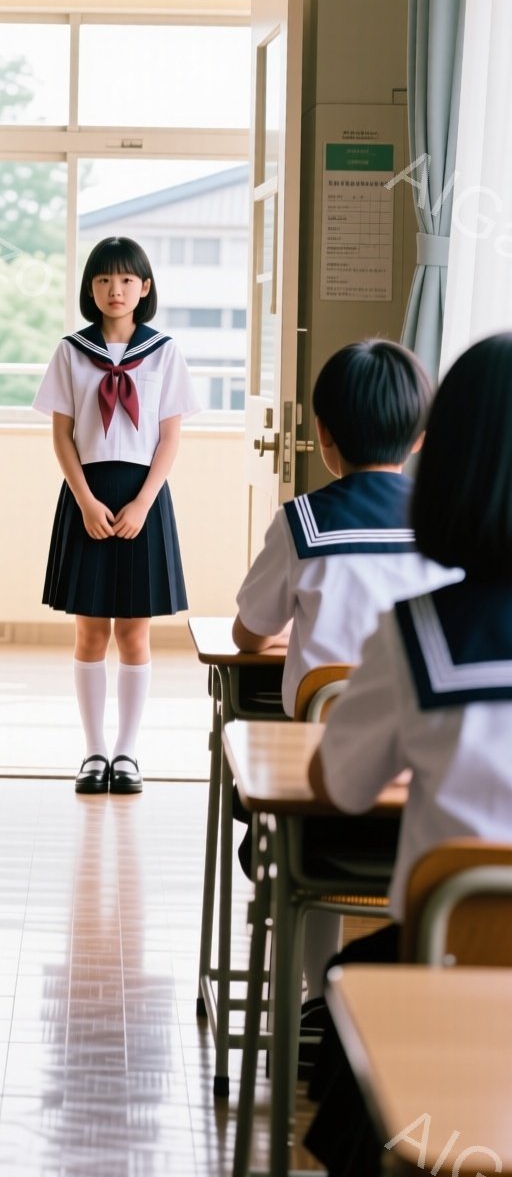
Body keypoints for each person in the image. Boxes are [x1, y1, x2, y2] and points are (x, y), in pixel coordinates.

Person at [304, 332, 512, 1177]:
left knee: (354, 989)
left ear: (446, 459)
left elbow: (341, 787)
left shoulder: (418, 636)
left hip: (447, 979)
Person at [233, 337, 458, 1002]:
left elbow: (252, 630)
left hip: (324, 810)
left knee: (296, 817)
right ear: (420, 439)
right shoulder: (447, 530)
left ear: (323, 436)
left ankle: (311, 1000)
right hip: (431, 804)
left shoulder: (303, 522)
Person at [34, 235, 200, 795]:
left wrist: (142, 504)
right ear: (90, 288)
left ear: (145, 288)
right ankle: (93, 752)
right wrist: (84, 499)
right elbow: (61, 434)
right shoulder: (70, 351)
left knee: (134, 633)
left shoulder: (165, 351)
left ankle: (128, 752)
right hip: (87, 496)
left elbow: (170, 437)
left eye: (127, 279)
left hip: (142, 498)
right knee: (89, 634)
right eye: (104, 279)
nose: (115, 289)